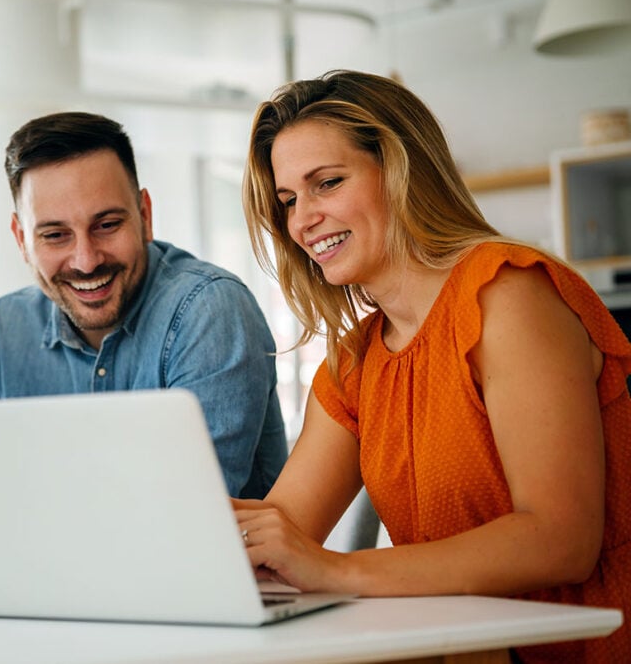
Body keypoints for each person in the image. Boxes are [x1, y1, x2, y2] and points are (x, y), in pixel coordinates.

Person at [235, 69, 630, 662]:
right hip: (465, 650)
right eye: (289, 200)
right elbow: (282, 529)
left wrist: (338, 571)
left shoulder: (508, 296)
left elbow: (561, 538)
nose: (301, 220)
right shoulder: (355, 360)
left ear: (402, 173)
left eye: (328, 183)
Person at [0, 111, 288, 573]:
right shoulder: (5, 329)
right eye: (55, 235)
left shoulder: (210, 311)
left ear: (145, 216)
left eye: (107, 224)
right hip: (60, 603)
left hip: (211, 609)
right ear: (21, 239)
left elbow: (188, 526)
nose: (85, 261)